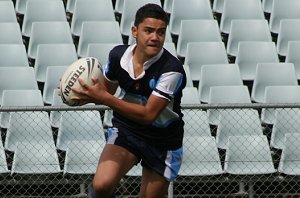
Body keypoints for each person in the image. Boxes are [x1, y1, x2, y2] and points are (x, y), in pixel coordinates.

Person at [71, 3, 186, 198]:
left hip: (163, 141)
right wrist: (81, 92)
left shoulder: (171, 69)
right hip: (128, 129)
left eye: (161, 32)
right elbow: (105, 91)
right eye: (148, 30)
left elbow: (148, 115)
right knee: (102, 186)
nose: (155, 38)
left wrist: (104, 97)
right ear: (134, 31)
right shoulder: (117, 56)